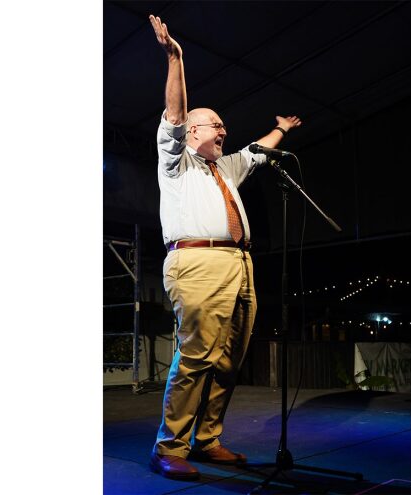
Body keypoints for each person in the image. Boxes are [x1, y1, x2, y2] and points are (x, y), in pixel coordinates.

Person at [147, 14, 302, 481]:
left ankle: (207, 439)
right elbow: (175, 112)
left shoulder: (226, 169)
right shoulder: (177, 161)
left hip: (240, 264)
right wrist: (176, 58)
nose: (223, 129)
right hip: (196, 262)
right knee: (196, 356)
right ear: (193, 132)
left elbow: (258, 150)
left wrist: (282, 131)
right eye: (215, 124)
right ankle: (168, 444)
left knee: (230, 359)